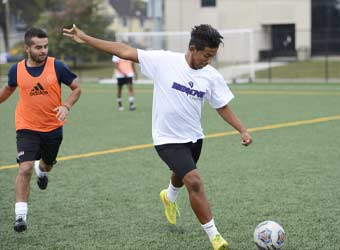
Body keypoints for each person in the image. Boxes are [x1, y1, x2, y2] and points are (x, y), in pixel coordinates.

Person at [63, 24, 252, 250]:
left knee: (181, 173)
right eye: (207, 55)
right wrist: (86, 38)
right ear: (193, 48)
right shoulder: (164, 61)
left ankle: (169, 197)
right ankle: (215, 237)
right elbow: (123, 51)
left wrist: (242, 129)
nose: (209, 60)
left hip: (193, 137)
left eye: (213, 56)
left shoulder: (211, 76)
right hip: (166, 138)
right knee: (194, 181)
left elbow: (222, 106)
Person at [0, 27, 81, 233]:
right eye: (38, 47)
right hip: (26, 127)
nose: (43, 50)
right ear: (27, 48)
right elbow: (8, 90)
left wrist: (66, 106)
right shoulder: (15, 70)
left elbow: (77, 88)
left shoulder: (57, 66)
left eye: (45, 46)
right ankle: (20, 216)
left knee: (46, 166)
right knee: (24, 167)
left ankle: (41, 170)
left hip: (53, 129)